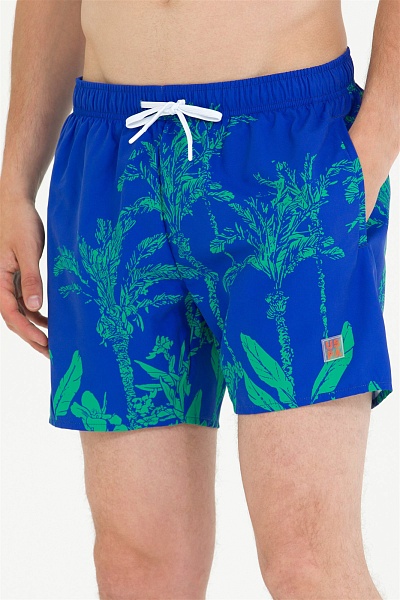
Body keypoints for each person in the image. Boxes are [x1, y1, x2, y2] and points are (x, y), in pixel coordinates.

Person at [0, 0, 398, 598]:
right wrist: (14, 183)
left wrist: (375, 142)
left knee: (307, 560)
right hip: (112, 160)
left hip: (288, 154)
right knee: (137, 567)